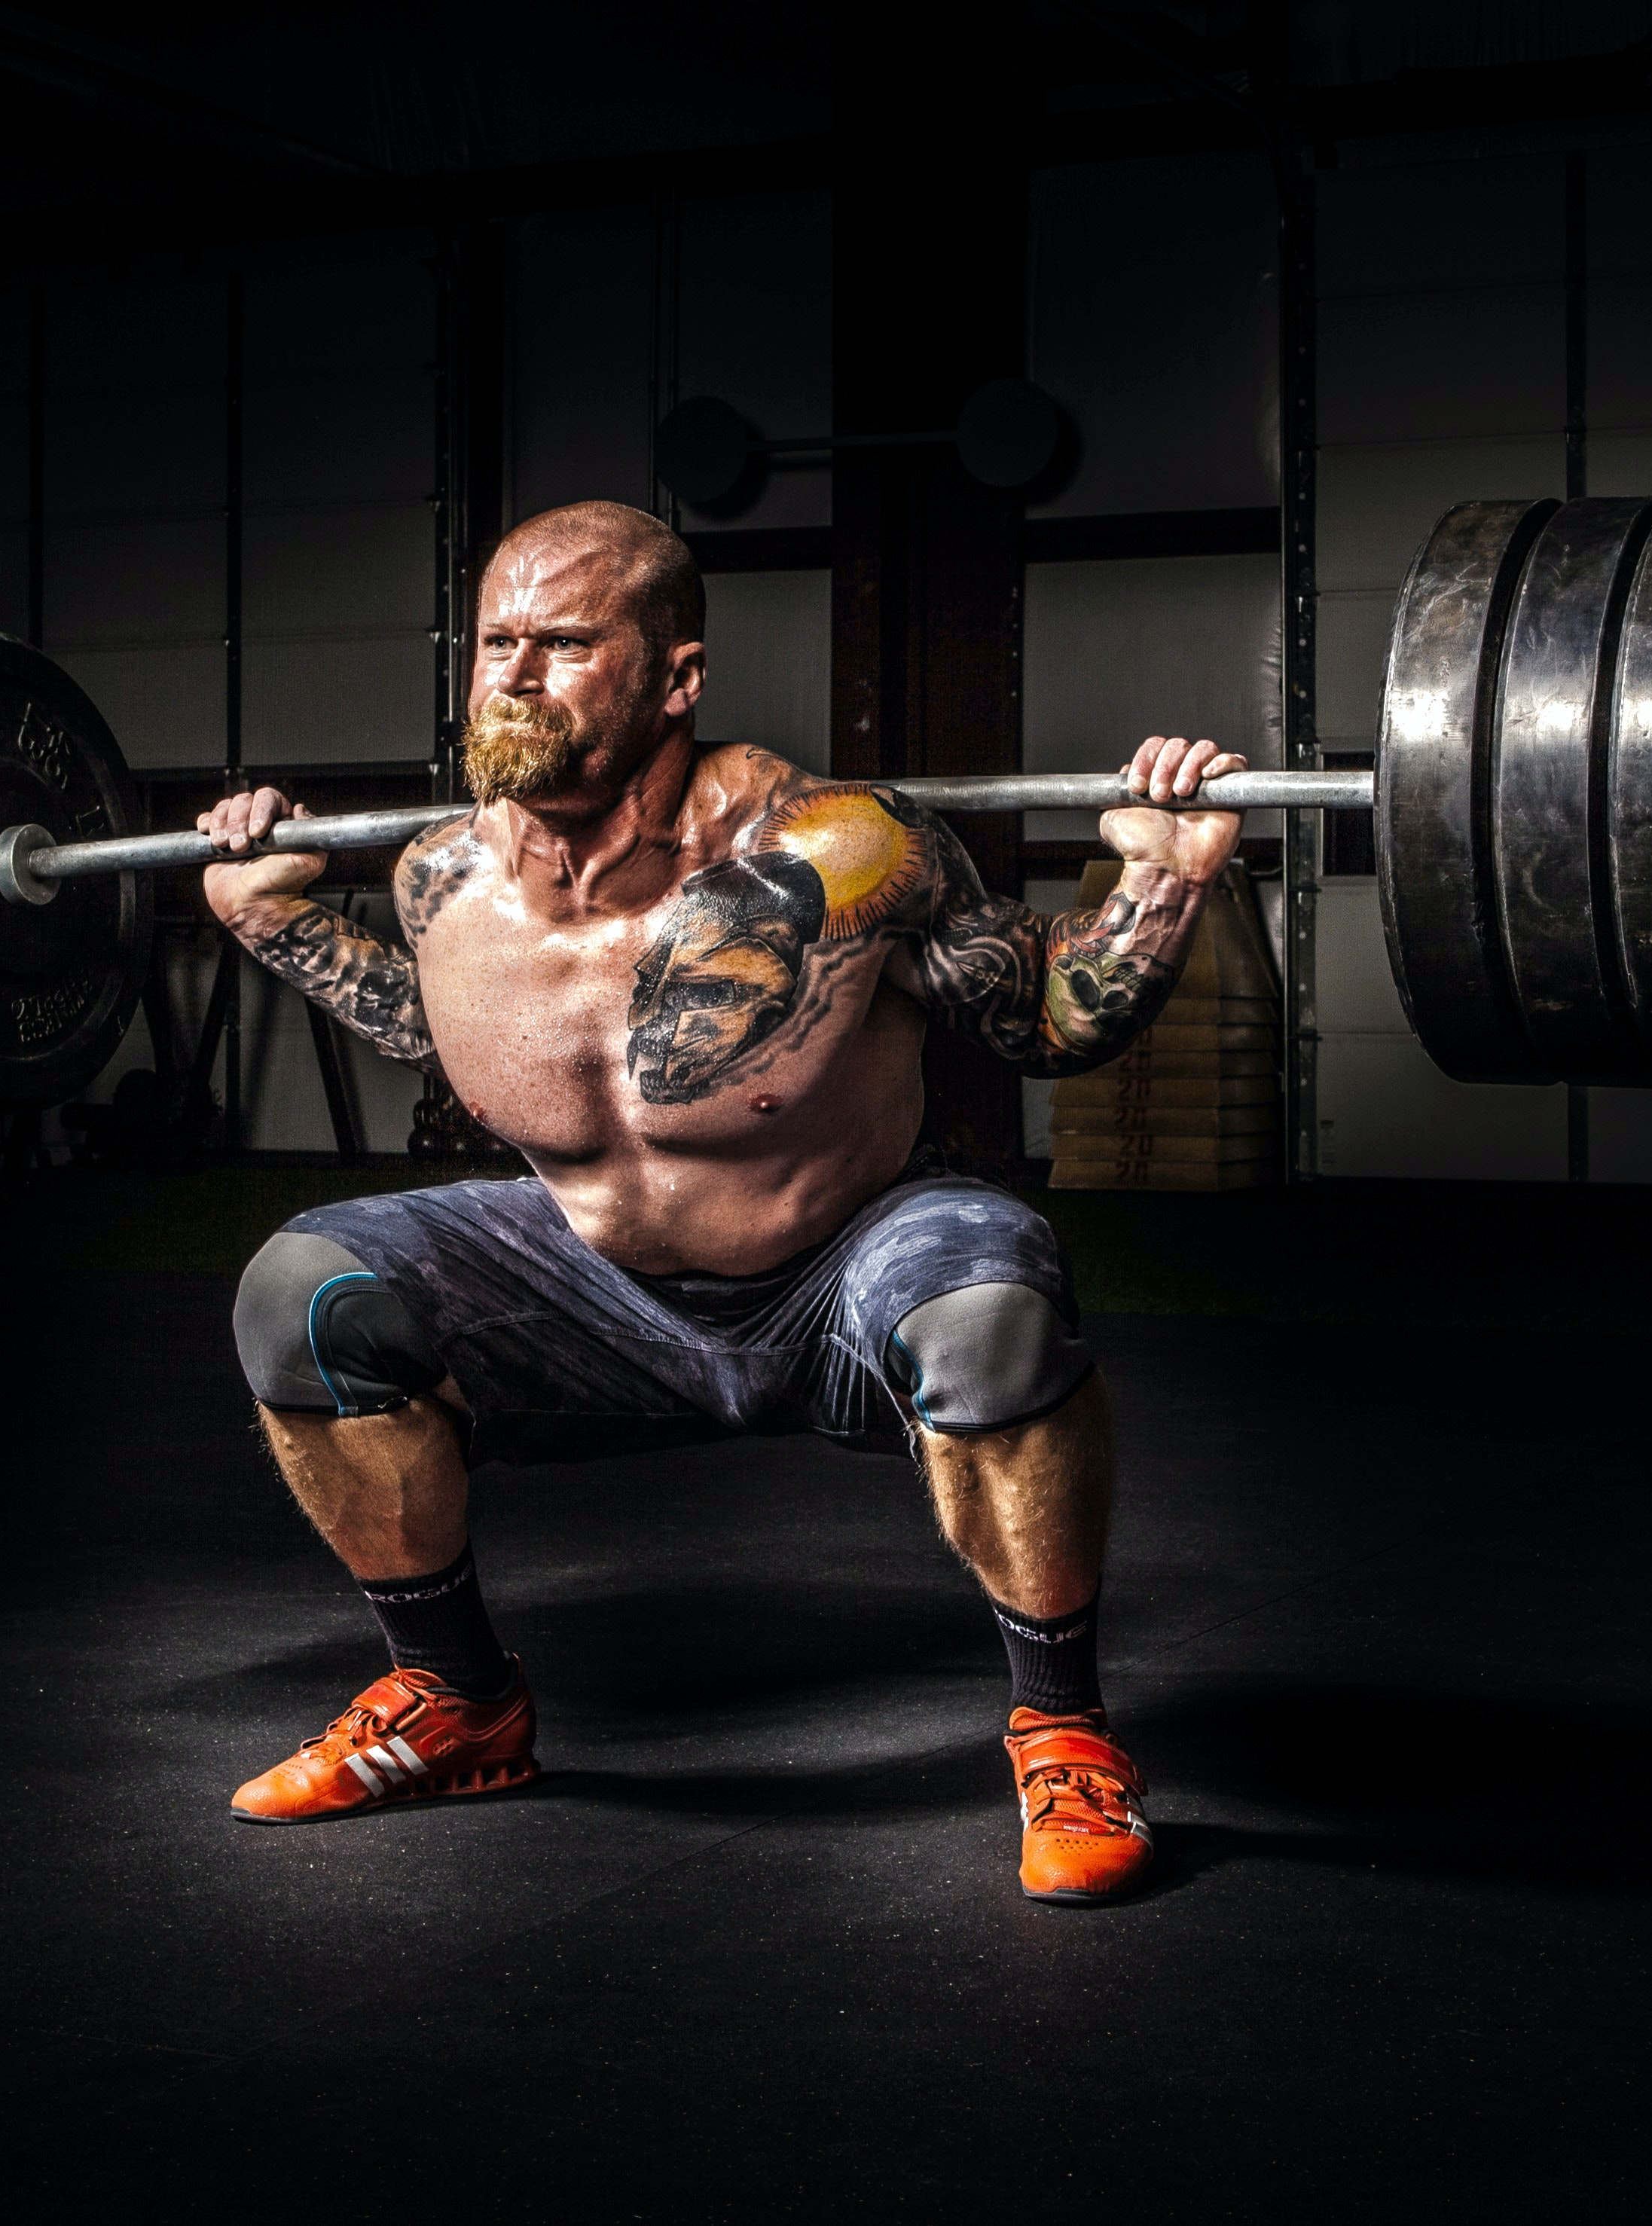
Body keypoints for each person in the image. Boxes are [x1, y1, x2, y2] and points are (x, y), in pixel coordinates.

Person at [199, 500, 1247, 1904]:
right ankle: (456, 1700)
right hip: (590, 1287)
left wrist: (1163, 881)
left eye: (565, 645)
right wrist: (275, 920)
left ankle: (1062, 1730)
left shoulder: (850, 852)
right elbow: (441, 1029)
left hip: (838, 1266)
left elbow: (1048, 1018)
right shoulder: (439, 876)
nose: (513, 675)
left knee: (994, 1300)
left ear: (677, 679)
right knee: (302, 1293)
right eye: (497, 642)